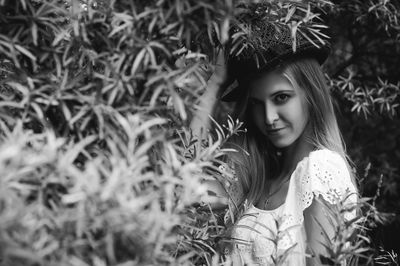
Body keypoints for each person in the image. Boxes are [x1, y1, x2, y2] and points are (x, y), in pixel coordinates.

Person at [193, 4, 359, 266]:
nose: (269, 117)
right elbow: (184, 186)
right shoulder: (255, 178)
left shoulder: (321, 169)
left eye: (281, 98)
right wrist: (215, 83)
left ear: (311, 96)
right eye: (258, 103)